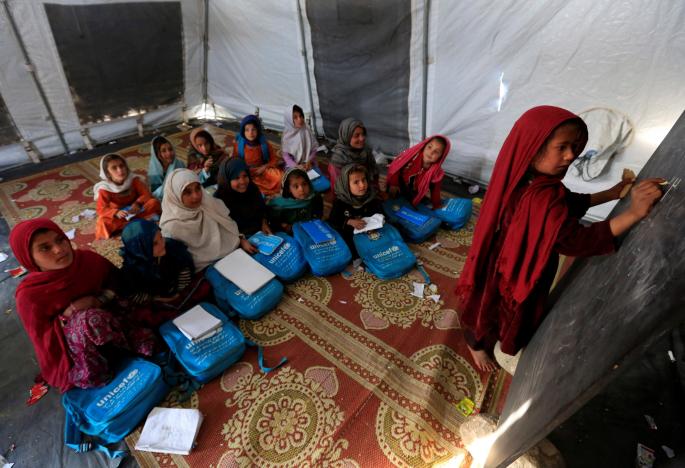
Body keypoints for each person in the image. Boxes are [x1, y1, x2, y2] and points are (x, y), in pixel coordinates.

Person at [455, 105, 664, 372]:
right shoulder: (543, 195)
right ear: (533, 147)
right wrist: (634, 214)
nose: (571, 156)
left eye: (575, 147)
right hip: (516, 261)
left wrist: (609, 194)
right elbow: (574, 240)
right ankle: (483, 348)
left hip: (503, 253)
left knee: (486, 300)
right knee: (509, 307)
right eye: (562, 147)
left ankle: (477, 340)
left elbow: (567, 203)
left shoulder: (523, 174)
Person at [9, 219, 157, 391]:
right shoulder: (30, 295)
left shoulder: (88, 261)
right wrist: (68, 316)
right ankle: (98, 371)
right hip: (79, 349)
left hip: (114, 324)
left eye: (60, 239)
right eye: (45, 248)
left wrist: (98, 300)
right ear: (28, 257)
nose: (59, 249)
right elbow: (45, 341)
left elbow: (119, 284)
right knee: (89, 320)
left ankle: (128, 346)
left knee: (122, 305)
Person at [160, 168, 257, 271]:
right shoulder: (171, 228)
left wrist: (241, 239)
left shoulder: (209, 205)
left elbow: (229, 227)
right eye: (187, 192)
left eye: (198, 188)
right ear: (175, 196)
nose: (196, 196)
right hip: (205, 272)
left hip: (235, 257)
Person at [119, 220, 212, 326]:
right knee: (147, 317)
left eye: (161, 237)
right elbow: (133, 294)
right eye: (155, 243)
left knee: (206, 284)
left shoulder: (172, 249)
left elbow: (185, 269)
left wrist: (178, 290)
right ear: (140, 248)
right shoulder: (130, 270)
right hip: (157, 299)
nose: (162, 244)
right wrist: (156, 298)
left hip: (180, 290)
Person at [94, 153, 161, 240]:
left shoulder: (133, 179)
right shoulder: (104, 188)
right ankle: (140, 221)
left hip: (136, 210)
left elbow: (146, 194)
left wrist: (138, 203)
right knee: (102, 221)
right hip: (120, 215)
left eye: (122, 166)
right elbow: (101, 209)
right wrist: (116, 212)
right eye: (114, 168)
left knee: (153, 202)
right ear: (108, 173)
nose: (120, 170)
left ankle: (128, 226)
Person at [328, 164, 383, 258]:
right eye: (356, 182)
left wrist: (375, 222)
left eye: (364, 179)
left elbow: (378, 213)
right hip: (350, 233)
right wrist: (349, 221)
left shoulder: (371, 197)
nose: (362, 185)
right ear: (346, 185)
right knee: (348, 247)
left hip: (369, 231)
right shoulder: (340, 202)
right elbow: (333, 220)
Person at [387, 135, 450, 209]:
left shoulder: (436, 172)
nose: (431, 152)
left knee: (415, 206)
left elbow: (435, 190)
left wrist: (436, 205)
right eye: (429, 147)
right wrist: (394, 184)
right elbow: (396, 167)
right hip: (399, 182)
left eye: (436, 152)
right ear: (424, 146)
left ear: (441, 157)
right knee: (390, 198)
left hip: (414, 190)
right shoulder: (412, 156)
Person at [214, 158, 272, 237]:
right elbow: (223, 228)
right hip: (235, 238)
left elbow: (262, 209)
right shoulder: (219, 199)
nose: (242, 182)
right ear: (227, 179)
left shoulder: (252, 188)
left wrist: (264, 223)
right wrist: (240, 239)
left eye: (245, 176)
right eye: (236, 178)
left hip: (260, 232)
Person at [233, 114, 284, 196]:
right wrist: (245, 171)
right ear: (243, 132)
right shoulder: (239, 146)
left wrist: (264, 167)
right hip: (246, 172)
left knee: (280, 178)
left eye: (253, 129)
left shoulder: (264, 144)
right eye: (247, 130)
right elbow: (234, 161)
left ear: (258, 130)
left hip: (262, 169)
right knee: (241, 183)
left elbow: (274, 159)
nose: (250, 133)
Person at [266, 167, 323, 234]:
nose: (301, 189)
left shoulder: (315, 197)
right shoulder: (279, 205)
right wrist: (285, 226)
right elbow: (274, 221)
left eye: (304, 184)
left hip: (310, 229)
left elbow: (318, 214)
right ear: (289, 189)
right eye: (296, 186)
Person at [329, 117, 379, 192]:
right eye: (356, 135)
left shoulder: (366, 152)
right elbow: (339, 189)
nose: (362, 138)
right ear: (346, 136)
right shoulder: (338, 160)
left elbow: (374, 175)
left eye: (363, 134)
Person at [281, 104, 318, 170]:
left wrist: (309, 161)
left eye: (301, 116)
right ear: (289, 120)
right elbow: (286, 156)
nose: (300, 119)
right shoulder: (287, 135)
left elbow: (314, 149)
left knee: (316, 177)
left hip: (308, 162)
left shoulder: (307, 129)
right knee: (297, 178)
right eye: (295, 117)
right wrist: (296, 166)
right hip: (293, 164)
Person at [148, 135, 185, 200]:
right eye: (164, 151)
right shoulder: (154, 173)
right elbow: (156, 195)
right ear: (158, 155)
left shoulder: (179, 163)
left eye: (170, 149)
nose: (169, 153)